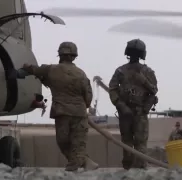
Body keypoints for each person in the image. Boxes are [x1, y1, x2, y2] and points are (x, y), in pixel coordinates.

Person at [21, 41, 98, 171]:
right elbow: (88, 96)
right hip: (79, 113)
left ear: (60, 55)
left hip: (62, 112)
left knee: (63, 141)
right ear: (74, 56)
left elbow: (34, 70)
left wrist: (25, 67)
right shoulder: (81, 73)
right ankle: (83, 162)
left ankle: (76, 164)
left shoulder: (51, 70)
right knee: (78, 143)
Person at [109, 39, 158, 169]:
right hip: (126, 113)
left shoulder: (147, 72)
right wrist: (121, 105)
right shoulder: (121, 71)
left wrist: (144, 109)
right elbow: (113, 89)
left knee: (140, 143)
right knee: (127, 143)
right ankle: (129, 167)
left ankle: (139, 167)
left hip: (140, 112)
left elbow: (153, 92)